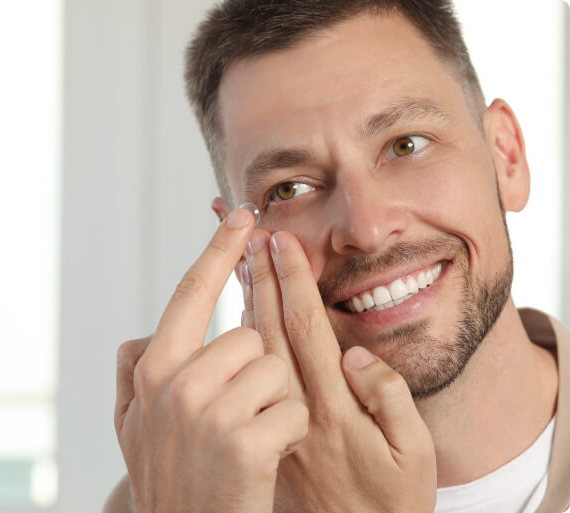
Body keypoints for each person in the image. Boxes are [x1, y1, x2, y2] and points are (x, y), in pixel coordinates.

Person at [104, 1, 570, 512]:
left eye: (406, 145)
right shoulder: (184, 497)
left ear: (506, 157)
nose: (366, 230)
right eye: (290, 188)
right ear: (237, 246)